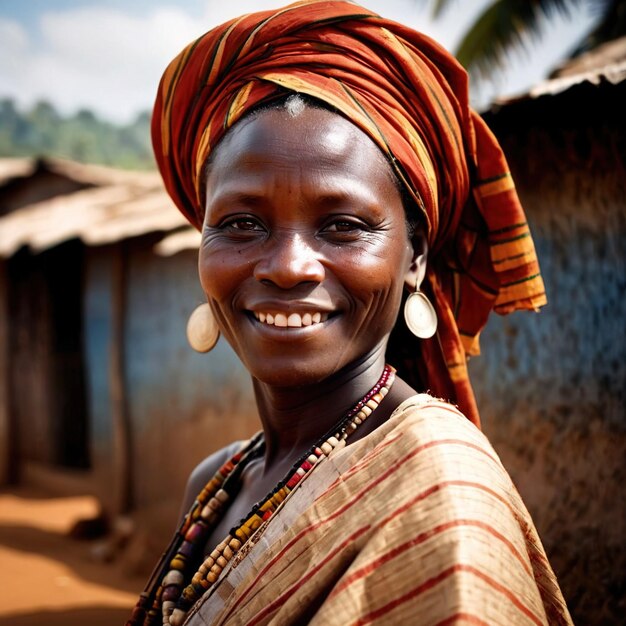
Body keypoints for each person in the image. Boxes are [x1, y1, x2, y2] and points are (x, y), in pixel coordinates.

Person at [127, 1, 572, 624]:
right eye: (241, 223)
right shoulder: (217, 483)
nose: (288, 266)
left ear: (413, 255)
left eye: (342, 226)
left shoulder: (438, 493)